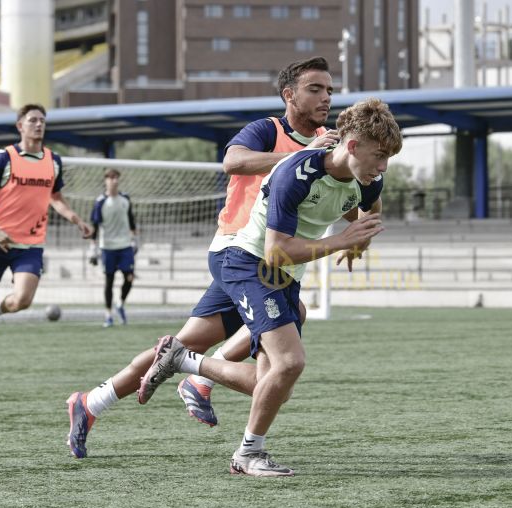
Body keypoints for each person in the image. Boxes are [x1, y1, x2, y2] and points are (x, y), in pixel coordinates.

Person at [66, 56, 340, 458]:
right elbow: (232, 162)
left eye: (330, 90)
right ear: (289, 95)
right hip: (238, 250)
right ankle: (199, 377)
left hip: (268, 261)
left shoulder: (326, 141)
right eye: (315, 89)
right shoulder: (269, 129)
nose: (326, 97)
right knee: (285, 347)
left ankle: (92, 403)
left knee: (192, 346)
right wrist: (301, 156)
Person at [138, 97, 403, 477]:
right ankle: (247, 455)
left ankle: (185, 361)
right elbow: (276, 251)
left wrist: (359, 243)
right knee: (290, 363)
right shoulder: (296, 172)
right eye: (379, 155)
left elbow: (371, 212)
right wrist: (341, 242)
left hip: (285, 276)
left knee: (273, 382)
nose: (382, 167)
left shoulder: (369, 180)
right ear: (352, 146)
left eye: (388, 158)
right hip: (250, 263)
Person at [0, 103, 93, 384]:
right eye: (32, 120)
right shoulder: (3, 158)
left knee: (23, 300)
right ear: (20, 126)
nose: (39, 124)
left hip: (30, 244)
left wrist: (75, 218)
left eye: (42, 120)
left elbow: (55, 197)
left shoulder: (53, 161)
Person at [88, 168, 138, 327]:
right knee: (109, 281)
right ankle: (108, 315)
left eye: (116, 177)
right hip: (107, 246)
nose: (113, 180)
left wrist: (135, 239)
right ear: (106, 181)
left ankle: (120, 304)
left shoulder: (125, 199)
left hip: (125, 245)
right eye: (110, 178)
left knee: (129, 278)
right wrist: (93, 247)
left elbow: (131, 220)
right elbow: (95, 226)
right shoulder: (100, 201)